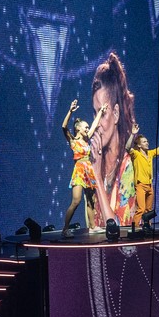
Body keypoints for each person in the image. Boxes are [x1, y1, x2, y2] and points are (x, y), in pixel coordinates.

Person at [90, 51, 138, 225]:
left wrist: (97, 177)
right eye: (94, 113)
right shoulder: (96, 163)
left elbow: (120, 233)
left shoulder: (128, 166)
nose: (96, 123)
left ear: (116, 114)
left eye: (102, 113)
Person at [61, 99, 109, 235]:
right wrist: (70, 111)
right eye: (85, 127)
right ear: (78, 129)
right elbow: (64, 126)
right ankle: (65, 229)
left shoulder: (87, 139)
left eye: (87, 128)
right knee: (76, 201)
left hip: (88, 169)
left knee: (91, 200)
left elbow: (94, 124)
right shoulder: (73, 140)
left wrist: (100, 112)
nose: (87, 129)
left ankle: (92, 227)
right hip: (79, 170)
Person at [123, 123, 159, 228]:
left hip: (149, 185)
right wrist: (132, 134)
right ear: (139, 145)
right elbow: (127, 147)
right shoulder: (136, 154)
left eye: (147, 141)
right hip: (140, 185)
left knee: (148, 210)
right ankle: (135, 228)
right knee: (141, 209)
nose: (147, 143)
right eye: (144, 142)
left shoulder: (150, 154)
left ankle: (147, 226)